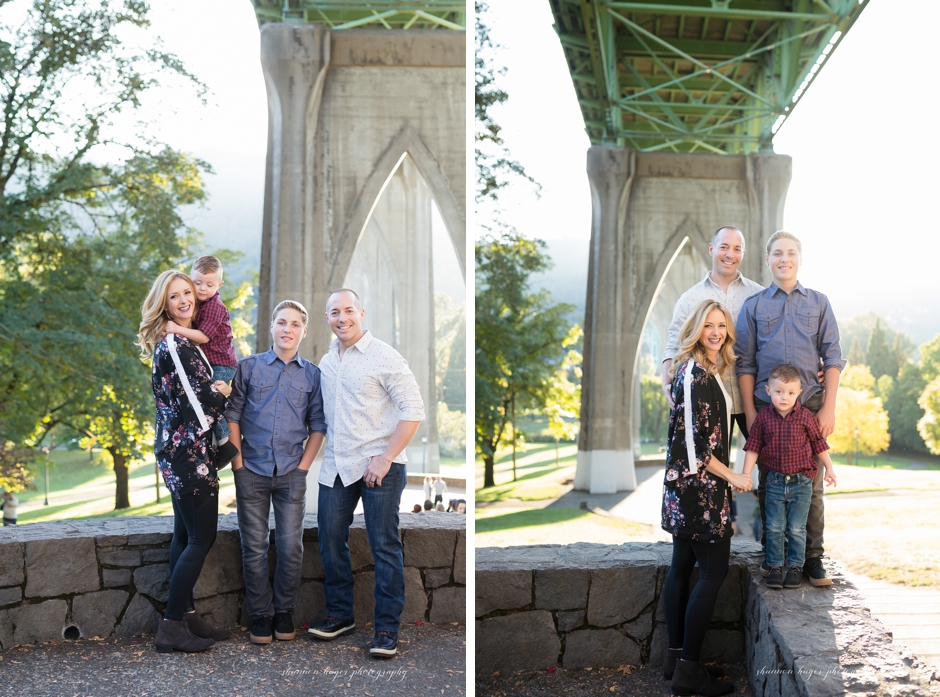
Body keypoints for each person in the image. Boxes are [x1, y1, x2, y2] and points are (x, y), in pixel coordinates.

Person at [308, 288, 425, 659]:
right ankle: (341, 616)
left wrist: (387, 456)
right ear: (326, 318)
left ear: (361, 312)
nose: (341, 318)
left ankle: (387, 629)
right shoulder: (327, 361)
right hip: (338, 466)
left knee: (384, 546)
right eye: (333, 313)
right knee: (329, 540)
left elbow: (414, 409)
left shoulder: (384, 356)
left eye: (348, 310)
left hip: (380, 467)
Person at [735, 231, 846, 586]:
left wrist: (828, 406)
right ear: (767, 259)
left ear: (800, 259)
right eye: (778, 253)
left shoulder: (819, 302)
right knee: (770, 484)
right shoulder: (753, 306)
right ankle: (775, 557)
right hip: (767, 408)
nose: (785, 259)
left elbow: (832, 356)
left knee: (809, 486)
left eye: (791, 253)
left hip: (810, 404)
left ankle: (812, 558)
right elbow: (745, 363)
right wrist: (752, 414)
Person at [137, 270, 232, 653]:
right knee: (201, 537)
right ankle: (172, 626)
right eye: (174, 296)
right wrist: (222, 392)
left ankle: (188, 616)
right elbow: (200, 406)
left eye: (188, 293)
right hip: (188, 455)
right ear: (163, 303)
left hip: (179, 452)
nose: (184, 300)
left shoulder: (178, 341)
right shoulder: (176, 344)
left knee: (183, 534)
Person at [661, 299, 752, 696]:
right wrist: (733, 476)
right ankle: (688, 671)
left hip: (693, 489)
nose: (715, 331)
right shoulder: (693, 374)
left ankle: (675, 659)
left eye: (721, 325)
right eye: (708, 325)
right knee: (712, 574)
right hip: (699, 491)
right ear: (696, 329)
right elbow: (695, 447)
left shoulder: (708, 371)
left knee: (681, 564)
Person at [225, 300, 327, 645]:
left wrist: (302, 469)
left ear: (303, 330)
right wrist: (238, 465)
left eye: (295, 324)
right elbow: (233, 417)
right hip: (250, 469)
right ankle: (260, 616)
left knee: (290, 546)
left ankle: (284, 611)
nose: (288, 329)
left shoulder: (312, 375)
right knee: (253, 547)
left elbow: (318, 425)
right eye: (282, 322)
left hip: (290, 474)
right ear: (271, 326)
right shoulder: (249, 368)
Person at [661, 226, 763, 444]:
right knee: (713, 472)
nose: (730, 254)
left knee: (770, 464)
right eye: (724, 247)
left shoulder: (758, 294)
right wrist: (666, 380)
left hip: (753, 397)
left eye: (737, 249)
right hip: (710, 398)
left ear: (743, 253)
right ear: (711, 249)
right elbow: (673, 342)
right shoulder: (690, 298)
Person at [742, 364, 837, 589]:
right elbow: (753, 446)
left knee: (796, 527)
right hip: (774, 481)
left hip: (801, 483)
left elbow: (818, 444)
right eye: (779, 392)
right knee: (774, 526)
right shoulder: (764, 418)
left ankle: (795, 566)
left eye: (791, 393)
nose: (785, 398)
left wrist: (830, 469)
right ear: (768, 391)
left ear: (799, 393)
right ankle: (775, 566)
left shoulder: (805, 417)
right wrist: (745, 475)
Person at [165, 256, 239, 467]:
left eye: (209, 285)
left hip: (222, 363)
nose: (203, 289)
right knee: (205, 399)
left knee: (210, 399)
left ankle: (226, 445)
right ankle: (218, 442)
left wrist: (177, 328)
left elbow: (204, 337)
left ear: (219, 285)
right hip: (210, 361)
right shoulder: (195, 302)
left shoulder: (215, 306)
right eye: (197, 283)